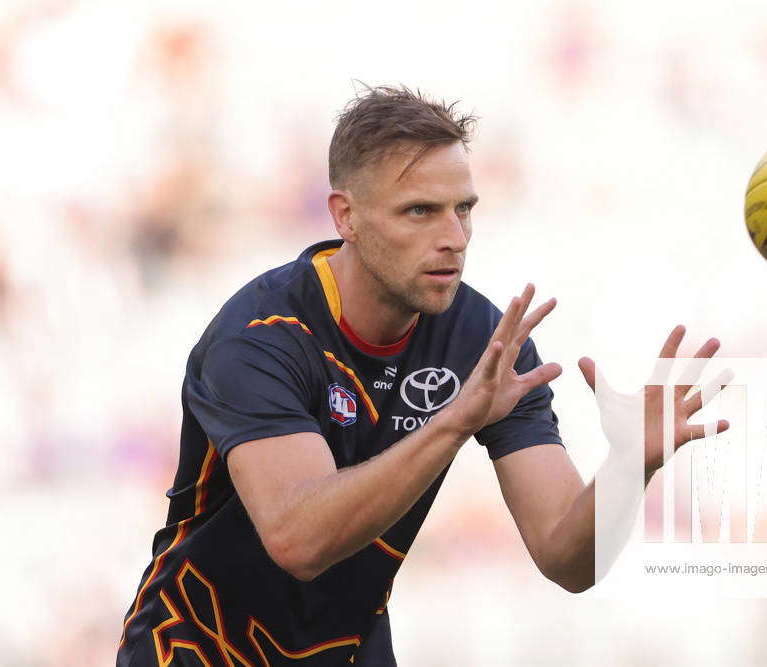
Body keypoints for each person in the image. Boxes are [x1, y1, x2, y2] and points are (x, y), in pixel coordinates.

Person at [117, 85, 728, 666]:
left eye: (464, 210)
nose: (454, 238)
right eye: (420, 212)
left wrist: (629, 469)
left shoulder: (484, 339)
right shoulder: (260, 338)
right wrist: (455, 421)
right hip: (195, 650)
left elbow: (568, 561)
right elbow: (298, 541)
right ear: (346, 217)